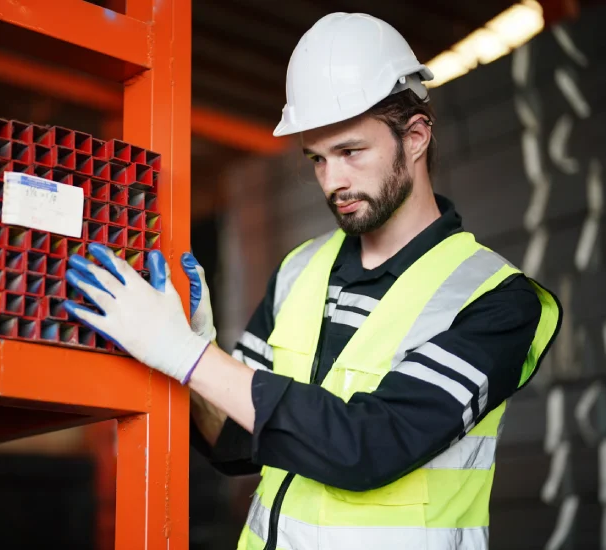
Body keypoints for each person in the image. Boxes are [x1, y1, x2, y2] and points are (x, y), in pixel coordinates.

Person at [63, 12, 562, 550]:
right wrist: (194, 352)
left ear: (416, 136)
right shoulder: (300, 270)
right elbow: (235, 440)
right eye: (317, 159)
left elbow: (369, 445)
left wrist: (188, 355)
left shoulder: (494, 300)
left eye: (350, 152)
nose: (333, 181)